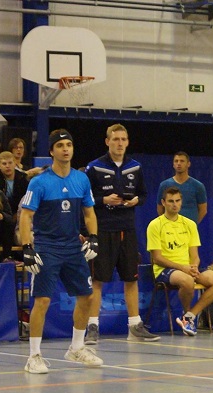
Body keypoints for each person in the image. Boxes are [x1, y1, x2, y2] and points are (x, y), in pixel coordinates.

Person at [19, 129, 103, 374]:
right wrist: (27, 248)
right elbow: (26, 215)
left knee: (87, 297)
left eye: (69, 144)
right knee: (42, 300)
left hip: (72, 247)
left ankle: (76, 348)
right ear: (51, 151)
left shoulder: (81, 179)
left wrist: (94, 238)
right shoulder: (40, 182)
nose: (66, 149)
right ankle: (33, 356)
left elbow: (89, 213)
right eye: (60, 146)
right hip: (47, 248)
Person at [84, 123, 159, 344]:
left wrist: (136, 200)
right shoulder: (94, 167)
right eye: (115, 139)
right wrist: (103, 200)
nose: (120, 143)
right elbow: (85, 200)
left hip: (127, 228)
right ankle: (92, 327)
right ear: (107, 141)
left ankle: (135, 326)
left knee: (131, 278)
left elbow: (143, 194)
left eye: (123, 139)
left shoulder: (136, 167)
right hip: (103, 229)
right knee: (97, 280)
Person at [147, 187, 213, 336]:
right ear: (163, 202)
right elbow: (156, 258)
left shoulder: (190, 224)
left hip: (188, 268)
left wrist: (194, 266)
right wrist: (183, 268)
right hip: (164, 270)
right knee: (188, 281)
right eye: (170, 201)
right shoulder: (155, 225)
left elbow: (195, 255)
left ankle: (189, 316)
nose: (174, 204)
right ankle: (186, 312)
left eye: (177, 201)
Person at [156, 151, 207, 224]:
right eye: (176, 161)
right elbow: (160, 208)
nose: (179, 163)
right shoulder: (164, 185)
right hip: (170, 228)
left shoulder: (198, 186)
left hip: (189, 229)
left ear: (188, 164)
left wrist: (192, 225)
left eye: (182, 161)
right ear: (173, 164)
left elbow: (203, 210)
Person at [0, 150, 30, 225]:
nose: (7, 166)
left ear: (15, 164)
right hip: (1, 214)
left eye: (10, 163)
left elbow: (27, 199)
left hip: (19, 213)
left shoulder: (23, 178)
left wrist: (18, 214)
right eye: (4, 164)